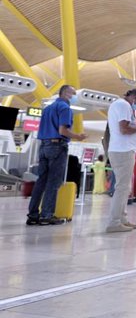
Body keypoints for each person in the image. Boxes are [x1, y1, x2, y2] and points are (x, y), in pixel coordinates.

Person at [26, 85, 87, 225]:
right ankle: (46, 215)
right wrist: (78, 136)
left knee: (41, 181)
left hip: (43, 146)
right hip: (57, 146)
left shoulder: (47, 109)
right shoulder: (65, 108)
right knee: (53, 182)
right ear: (65, 93)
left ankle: (33, 215)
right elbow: (63, 130)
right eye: (73, 93)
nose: (74, 96)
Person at [105, 88, 136, 233]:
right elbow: (124, 129)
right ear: (135, 98)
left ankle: (122, 219)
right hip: (122, 151)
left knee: (125, 188)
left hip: (122, 150)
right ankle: (114, 222)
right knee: (122, 188)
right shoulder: (124, 105)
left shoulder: (120, 105)